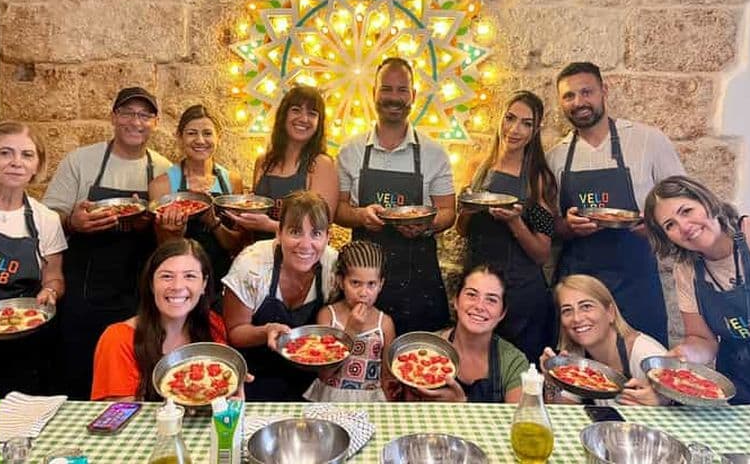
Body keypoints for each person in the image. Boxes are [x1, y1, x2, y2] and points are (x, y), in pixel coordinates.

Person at [43, 86, 171, 399]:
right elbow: (48, 218)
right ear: (113, 117)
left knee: (132, 381)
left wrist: (155, 224)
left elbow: (170, 233)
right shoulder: (81, 160)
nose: (135, 122)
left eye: (144, 115)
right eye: (127, 113)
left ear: (154, 122)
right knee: (79, 377)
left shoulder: (165, 170)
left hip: (139, 295)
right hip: (85, 296)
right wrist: (73, 221)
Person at [546, 62, 684, 346]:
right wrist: (568, 227)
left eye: (587, 92)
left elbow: (682, 204)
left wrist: (654, 226)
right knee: (579, 372)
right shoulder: (556, 156)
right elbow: (550, 226)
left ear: (603, 92)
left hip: (636, 281)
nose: (579, 102)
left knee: (644, 366)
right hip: (579, 284)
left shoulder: (647, 140)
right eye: (569, 96)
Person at [336, 57, 454, 335]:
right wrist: (360, 216)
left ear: (413, 96)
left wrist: (426, 224)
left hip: (418, 283)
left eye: (402, 90)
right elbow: (338, 209)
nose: (394, 97)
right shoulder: (351, 151)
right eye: (386, 89)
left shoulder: (434, 153)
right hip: (363, 285)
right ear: (374, 93)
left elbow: (449, 211)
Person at [644, 175, 750, 404]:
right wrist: (683, 355)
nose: (684, 227)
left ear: (706, 202)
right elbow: (702, 339)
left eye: (686, 211)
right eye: (670, 225)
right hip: (738, 380)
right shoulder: (685, 269)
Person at [456, 90, 556, 363]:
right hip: (479, 289)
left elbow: (542, 254)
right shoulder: (478, 167)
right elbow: (462, 230)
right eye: (510, 118)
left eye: (526, 123)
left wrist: (515, 223)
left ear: (535, 131)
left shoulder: (539, 179)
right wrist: (465, 212)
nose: (514, 129)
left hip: (521, 295)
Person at [0, 121, 67, 396]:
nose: (17, 162)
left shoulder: (45, 219)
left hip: (24, 340)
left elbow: (54, 276)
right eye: (5, 153)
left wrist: (50, 291)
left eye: (27, 155)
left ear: (37, 166)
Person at [222, 190, 337, 401]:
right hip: (256, 381)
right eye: (295, 232)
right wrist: (266, 331)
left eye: (316, 234)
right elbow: (235, 333)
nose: (305, 245)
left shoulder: (333, 266)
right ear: (279, 232)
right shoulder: (252, 264)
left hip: (311, 385)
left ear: (328, 237)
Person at [91, 238, 227, 401]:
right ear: (151, 284)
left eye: (189, 276)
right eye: (167, 276)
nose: (177, 286)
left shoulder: (213, 324)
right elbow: (121, 416)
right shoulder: (118, 338)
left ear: (204, 284)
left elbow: (219, 394)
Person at [149, 105, 244, 307]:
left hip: (223, 281)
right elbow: (161, 249)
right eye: (192, 133)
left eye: (207, 133)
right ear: (180, 137)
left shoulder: (232, 181)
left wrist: (213, 222)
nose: (200, 140)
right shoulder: (162, 185)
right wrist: (175, 232)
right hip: (180, 286)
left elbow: (237, 244)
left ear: (219, 137)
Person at [401, 264, 528, 403]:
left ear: (502, 313)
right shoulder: (425, 349)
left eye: (491, 300)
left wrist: (461, 403)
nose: (479, 306)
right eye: (472, 295)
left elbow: (518, 421)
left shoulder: (514, 362)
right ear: (456, 300)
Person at [225, 85, 337, 242]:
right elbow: (256, 207)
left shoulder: (322, 164)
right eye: (296, 110)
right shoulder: (263, 161)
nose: (304, 118)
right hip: (260, 253)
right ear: (284, 115)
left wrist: (269, 225)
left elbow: (320, 227)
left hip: (301, 259)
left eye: (312, 114)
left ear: (319, 123)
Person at [540, 274, 667, 406]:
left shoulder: (646, 354)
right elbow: (563, 414)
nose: (576, 318)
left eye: (586, 306)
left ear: (610, 312)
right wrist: (552, 380)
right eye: (567, 310)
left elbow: (681, 409)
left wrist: (660, 403)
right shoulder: (575, 357)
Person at [304, 240, 396, 402]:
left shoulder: (385, 324)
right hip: (331, 399)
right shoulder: (328, 316)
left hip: (371, 402)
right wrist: (351, 332)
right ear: (340, 281)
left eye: (371, 284)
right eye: (355, 283)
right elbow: (325, 373)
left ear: (381, 284)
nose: (363, 292)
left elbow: (387, 378)